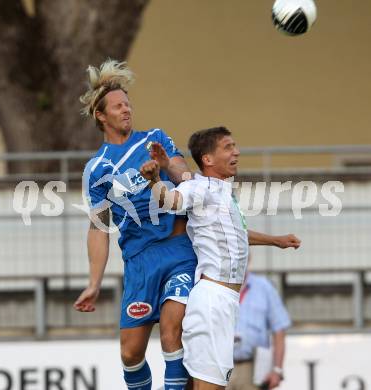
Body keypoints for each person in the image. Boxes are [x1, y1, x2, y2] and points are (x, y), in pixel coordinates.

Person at [140, 126, 301, 390]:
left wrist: (276, 241)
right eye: (228, 147)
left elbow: (238, 233)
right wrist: (155, 180)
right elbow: (171, 201)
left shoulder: (223, 192)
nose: (236, 151)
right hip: (213, 301)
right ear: (208, 159)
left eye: (235, 146)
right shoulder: (199, 187)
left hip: (224, 301)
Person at [73, 59, 197, 390]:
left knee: (173, 331)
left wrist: (174, 170)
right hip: (140, 261)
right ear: (101, 116)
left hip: (178, 249)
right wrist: (94, 282)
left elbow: (183, 174)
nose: (126, 109)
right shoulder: (97, 169)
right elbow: (98, 228)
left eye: (127, 103)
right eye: (117, 106)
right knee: (130, 354)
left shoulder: (154, 139)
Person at [227, 270, 291, 390]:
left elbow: (279, 330)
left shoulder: (264, 287)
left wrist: (277, 370)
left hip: (254, 369)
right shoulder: (217, 286)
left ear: (247, 258)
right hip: (220, 367)